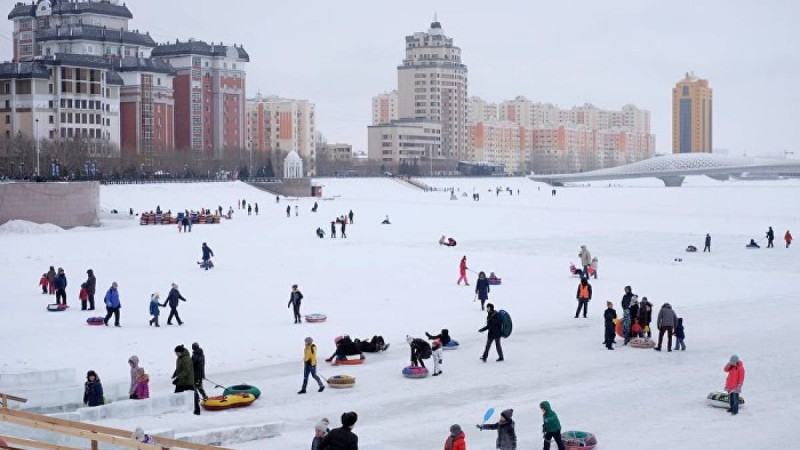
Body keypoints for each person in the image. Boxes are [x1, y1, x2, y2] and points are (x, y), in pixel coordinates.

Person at [172, 345, 199, 415]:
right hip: (181, 381)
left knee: (193, 395)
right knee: (177, 395)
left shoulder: (186, 359)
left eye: (177, 353)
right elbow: (179, 368)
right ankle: (178, 410)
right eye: (176, 353)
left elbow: (186, 370)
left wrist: (178, 378)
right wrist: (175, 373)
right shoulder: (179, 358)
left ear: (181, 352)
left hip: (187, 381)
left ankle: (197, 410)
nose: (176, 354)